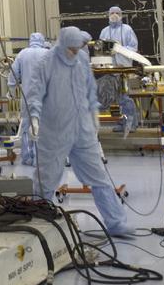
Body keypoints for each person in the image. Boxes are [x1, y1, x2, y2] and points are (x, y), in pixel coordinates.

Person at [27, 26, 130, 237]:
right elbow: (34, 94)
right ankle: (40, 221)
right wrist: (34, 118)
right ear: (62, 44)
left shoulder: (82, 60)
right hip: (54, 129)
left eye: (78, 49)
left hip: (82, 129)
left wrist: (93, 112)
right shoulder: (46, 63)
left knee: (99, 176)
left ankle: (116, 222)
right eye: (71, 49)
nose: (74, 53)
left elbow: (90, 89)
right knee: (46, 178)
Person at [6, 32, 50, 165]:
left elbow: (13, 75)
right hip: (45, 97)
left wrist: (12, 91)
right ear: (43, 41)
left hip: (27, 96)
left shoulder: (23, 54)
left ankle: (27, 157)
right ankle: (41, 158)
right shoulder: (48, 54)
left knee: (26, 126)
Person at [99, 7, 139, 132]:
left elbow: (133, 47)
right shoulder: (104, 31)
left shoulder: (127, 29)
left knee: (124, 97)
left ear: (121, 15)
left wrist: (120, 49)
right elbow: (100, 48)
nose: (114, 15)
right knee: (114, 98)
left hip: (124, 69)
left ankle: (130, 124)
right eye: (112, 13)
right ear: (108, 15)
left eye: (117, 13)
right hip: (109, 69)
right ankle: (123, 122)